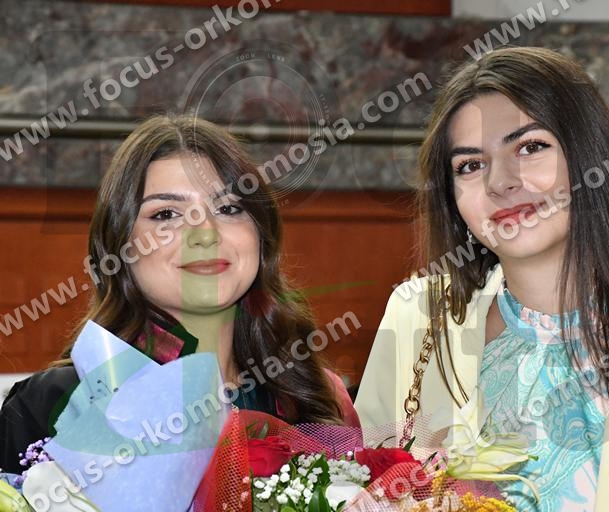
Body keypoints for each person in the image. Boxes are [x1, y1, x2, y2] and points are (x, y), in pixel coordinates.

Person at [355, 47, 609, 512]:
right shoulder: (418, 318)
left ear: (590, 158)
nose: (500, 182)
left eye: (530, 147)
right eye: (470, 165)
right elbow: (362, 483)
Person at [0, 114, 359, 475]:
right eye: (166, 214)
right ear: (118, 245)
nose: (205, 233)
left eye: (229, 208)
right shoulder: (57, 405)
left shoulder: (317, 398)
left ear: (261, 236)